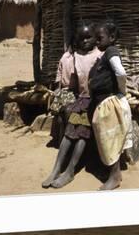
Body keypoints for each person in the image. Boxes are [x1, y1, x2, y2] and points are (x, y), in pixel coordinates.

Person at [42, 21, 102, 189]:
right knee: (70, 132)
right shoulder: (77, 57)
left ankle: (69, 171)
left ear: (96, 38)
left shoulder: (100, 56)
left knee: (82, 132)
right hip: (82, 100)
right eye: (81, 38)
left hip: (95, 101)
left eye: (88, 38)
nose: (84, 41)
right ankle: (56, 170)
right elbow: (74, 83)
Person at [89, 21, 133, 190]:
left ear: (112, 38)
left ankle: (115, 176)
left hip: (109, 103)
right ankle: (113, 171)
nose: (96, 42)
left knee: (109, 138)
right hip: (104, 102)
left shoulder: (111, 51)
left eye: (99, 38)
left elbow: (120, 72)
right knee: (108, 137)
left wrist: (122, 91)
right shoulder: (105, 54)